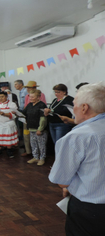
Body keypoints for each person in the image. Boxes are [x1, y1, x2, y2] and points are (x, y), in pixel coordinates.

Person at [49, 82, 105, 235]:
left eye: (73, 105)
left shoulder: (77, 137)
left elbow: (62, 181)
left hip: (91, 210)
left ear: (84, 108)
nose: (72, 109)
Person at [22, 90, 48, 166]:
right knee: (33, 144)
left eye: (32, 97)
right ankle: (35, 157)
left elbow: (43, 118)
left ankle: (42, 158)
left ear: (38, 97)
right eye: (30, 96)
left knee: (41, 145)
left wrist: (40, 129)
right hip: (31, 128)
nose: (30, 98)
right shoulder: (29, 105)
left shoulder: (42, 105)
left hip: (39, 129)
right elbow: (23, 114)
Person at [0, 91, 18, 158]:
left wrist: (4, 114)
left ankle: (9, 150)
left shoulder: (12, 104)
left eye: (2, 96)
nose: (0, 98)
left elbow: (14, 115)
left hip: (8, 124)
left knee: (8, 138)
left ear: (6, 97)